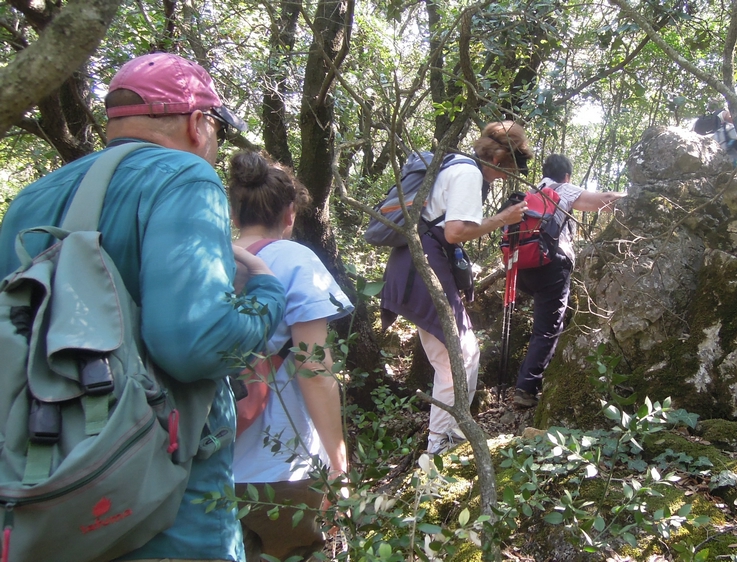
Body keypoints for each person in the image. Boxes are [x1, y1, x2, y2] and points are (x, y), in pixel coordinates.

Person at [0, 52, 287, 562]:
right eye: (218, 129)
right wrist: (265, 291)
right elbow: (195, 347)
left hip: (46, 476)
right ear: (199, 124)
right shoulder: (185, 176)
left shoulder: (32, 198)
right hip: (159, 484)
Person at [228, 151, 354, 561]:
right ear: (290, 213)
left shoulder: (203, 259)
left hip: (207, 463)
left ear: (235, 210)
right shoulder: (296, 260)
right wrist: (338, 467)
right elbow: (315, 371)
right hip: (283, 468)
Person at [380, 121, 533, 455]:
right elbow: (454, 232)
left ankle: (445, 437)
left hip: (412, 264)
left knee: (449, 358)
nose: (508, 176)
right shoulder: (468, 173)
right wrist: (503, 219)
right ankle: (440, 444)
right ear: (499, 157)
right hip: (424, 268)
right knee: (461, 357)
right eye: (510, 168)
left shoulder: (457, 165)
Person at [511, 154, 626, 408]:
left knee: (541, 325)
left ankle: (528, 379)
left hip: (523, 268)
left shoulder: (533, 192)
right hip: (551, 266)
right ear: (566, 176)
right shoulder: (563, 189)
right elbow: (603, 201)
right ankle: (526, 388)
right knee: (547, 329)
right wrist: (631, 196)